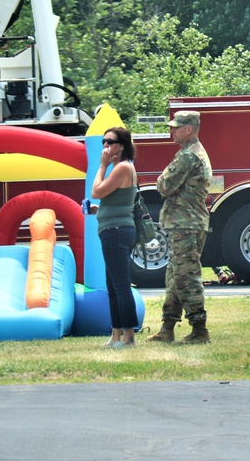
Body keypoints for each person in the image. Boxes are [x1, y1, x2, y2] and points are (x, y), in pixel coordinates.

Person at [147, 111, 213, 344]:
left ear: (189, 129)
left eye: (176, 127)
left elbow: (164, 186)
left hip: (186, 224)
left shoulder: (189, 156)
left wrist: (162, 179)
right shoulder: (191, 153)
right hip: (186, 223)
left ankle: (199, 330)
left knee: (186, 277)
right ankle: (167, 328)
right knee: (174, 277)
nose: (171, 130)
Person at [91, 126, 139, 348]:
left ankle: (128, 337)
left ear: (122, 145)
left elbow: (97, 191)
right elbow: (112, 201)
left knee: (120, 286)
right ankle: (116, 335)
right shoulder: (120, 168)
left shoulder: (121, 167)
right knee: (113, 286)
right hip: (114, 229)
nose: (105, 146)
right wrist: (97, 210)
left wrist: (101, 165)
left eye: (110, 142)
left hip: (116, 232)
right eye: (103, 142)